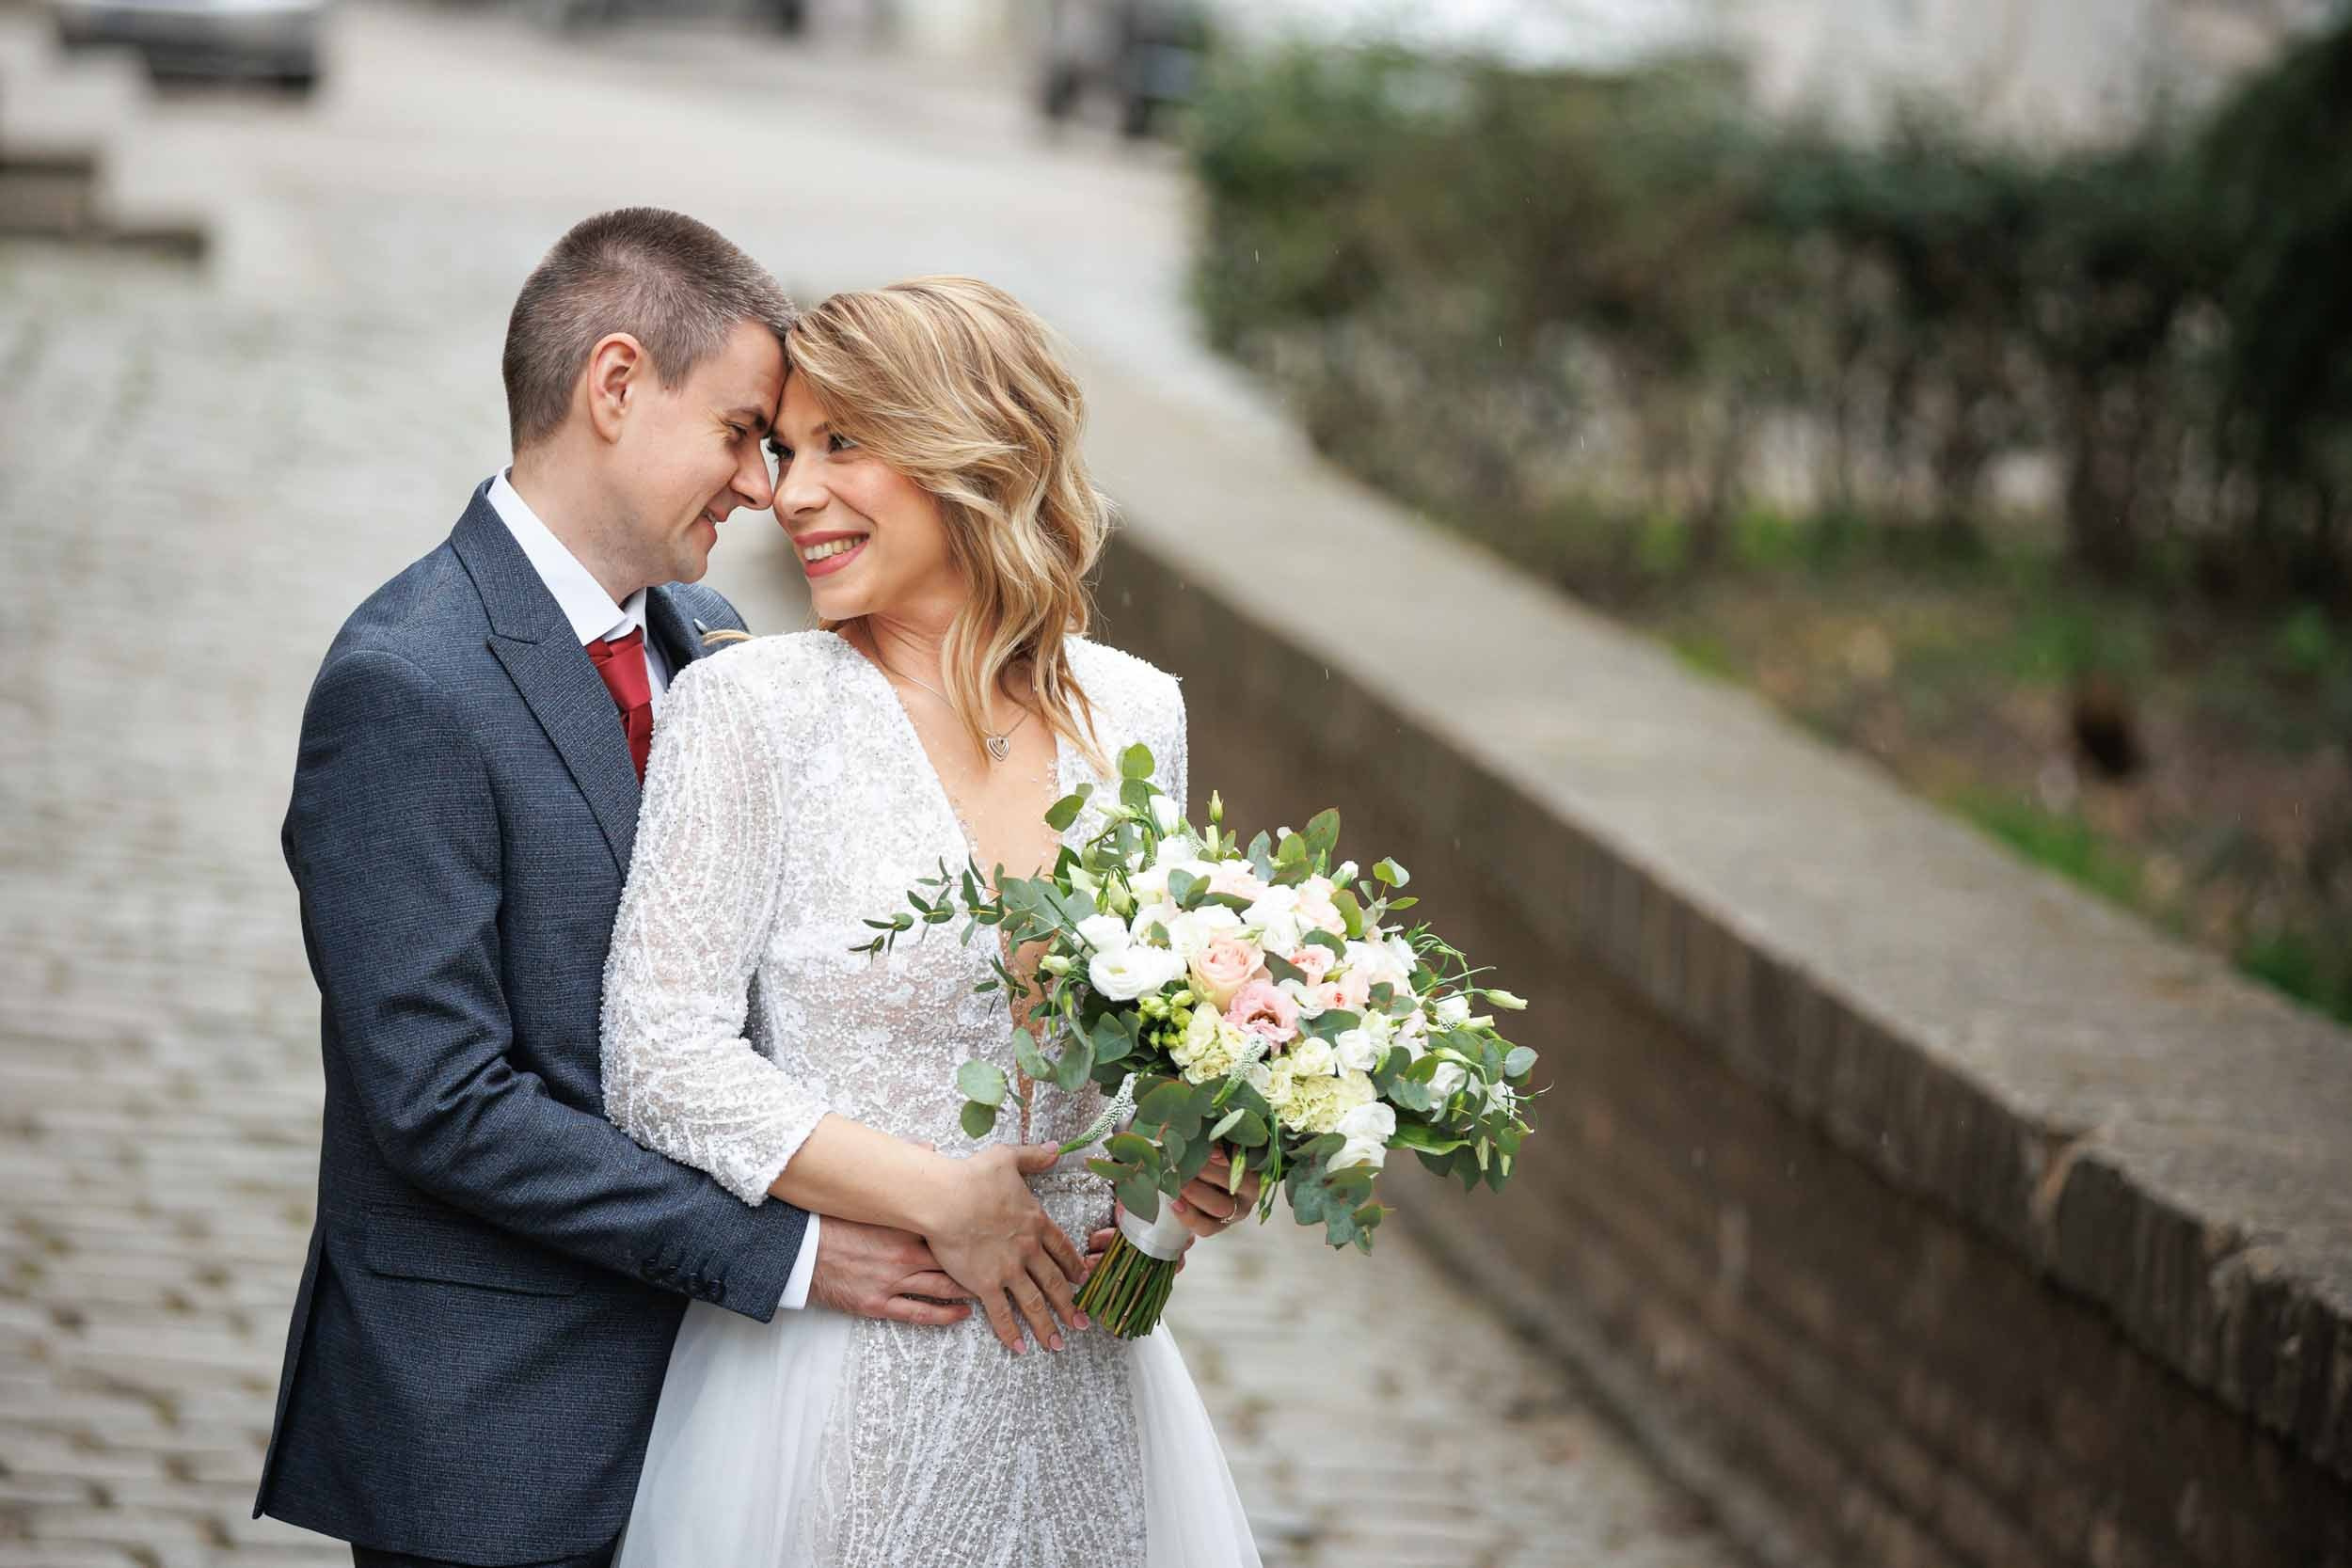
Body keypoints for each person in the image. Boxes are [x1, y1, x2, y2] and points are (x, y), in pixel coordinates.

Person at [256, 210, 1067, 1568]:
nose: (765, 487)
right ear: (616, 385)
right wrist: (792, 1257)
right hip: (502, 1425)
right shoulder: (407, 683)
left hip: (727, 1423)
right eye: (748, 432)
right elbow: (443, 1102)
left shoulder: (720, 649)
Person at [599, 276, 1263, 1565]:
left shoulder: (1135, 716)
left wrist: (1179, 1192)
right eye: (786, 450)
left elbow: (1133, 1075)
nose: (789, 495)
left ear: (976, 456)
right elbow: (657, 1055)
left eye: (845, 445)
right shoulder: (752, 714)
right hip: (838, 1393)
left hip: (1082, 1389)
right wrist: (933, 1195)